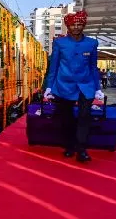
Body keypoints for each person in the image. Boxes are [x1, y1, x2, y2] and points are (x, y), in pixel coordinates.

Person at [42, 10, 102, 162]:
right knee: (66, 118)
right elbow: (54, 66)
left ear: (83, 25)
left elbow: (93, 67)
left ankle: (81, 149)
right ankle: (69, 146)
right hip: (63, 86)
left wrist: (97, 88)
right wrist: (49, 86)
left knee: (84, 116)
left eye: (79, 24)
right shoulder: (60, 43)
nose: (76, 27)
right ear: (68, 26)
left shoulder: (91, 43)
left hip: (86, 86)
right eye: (73, 24)